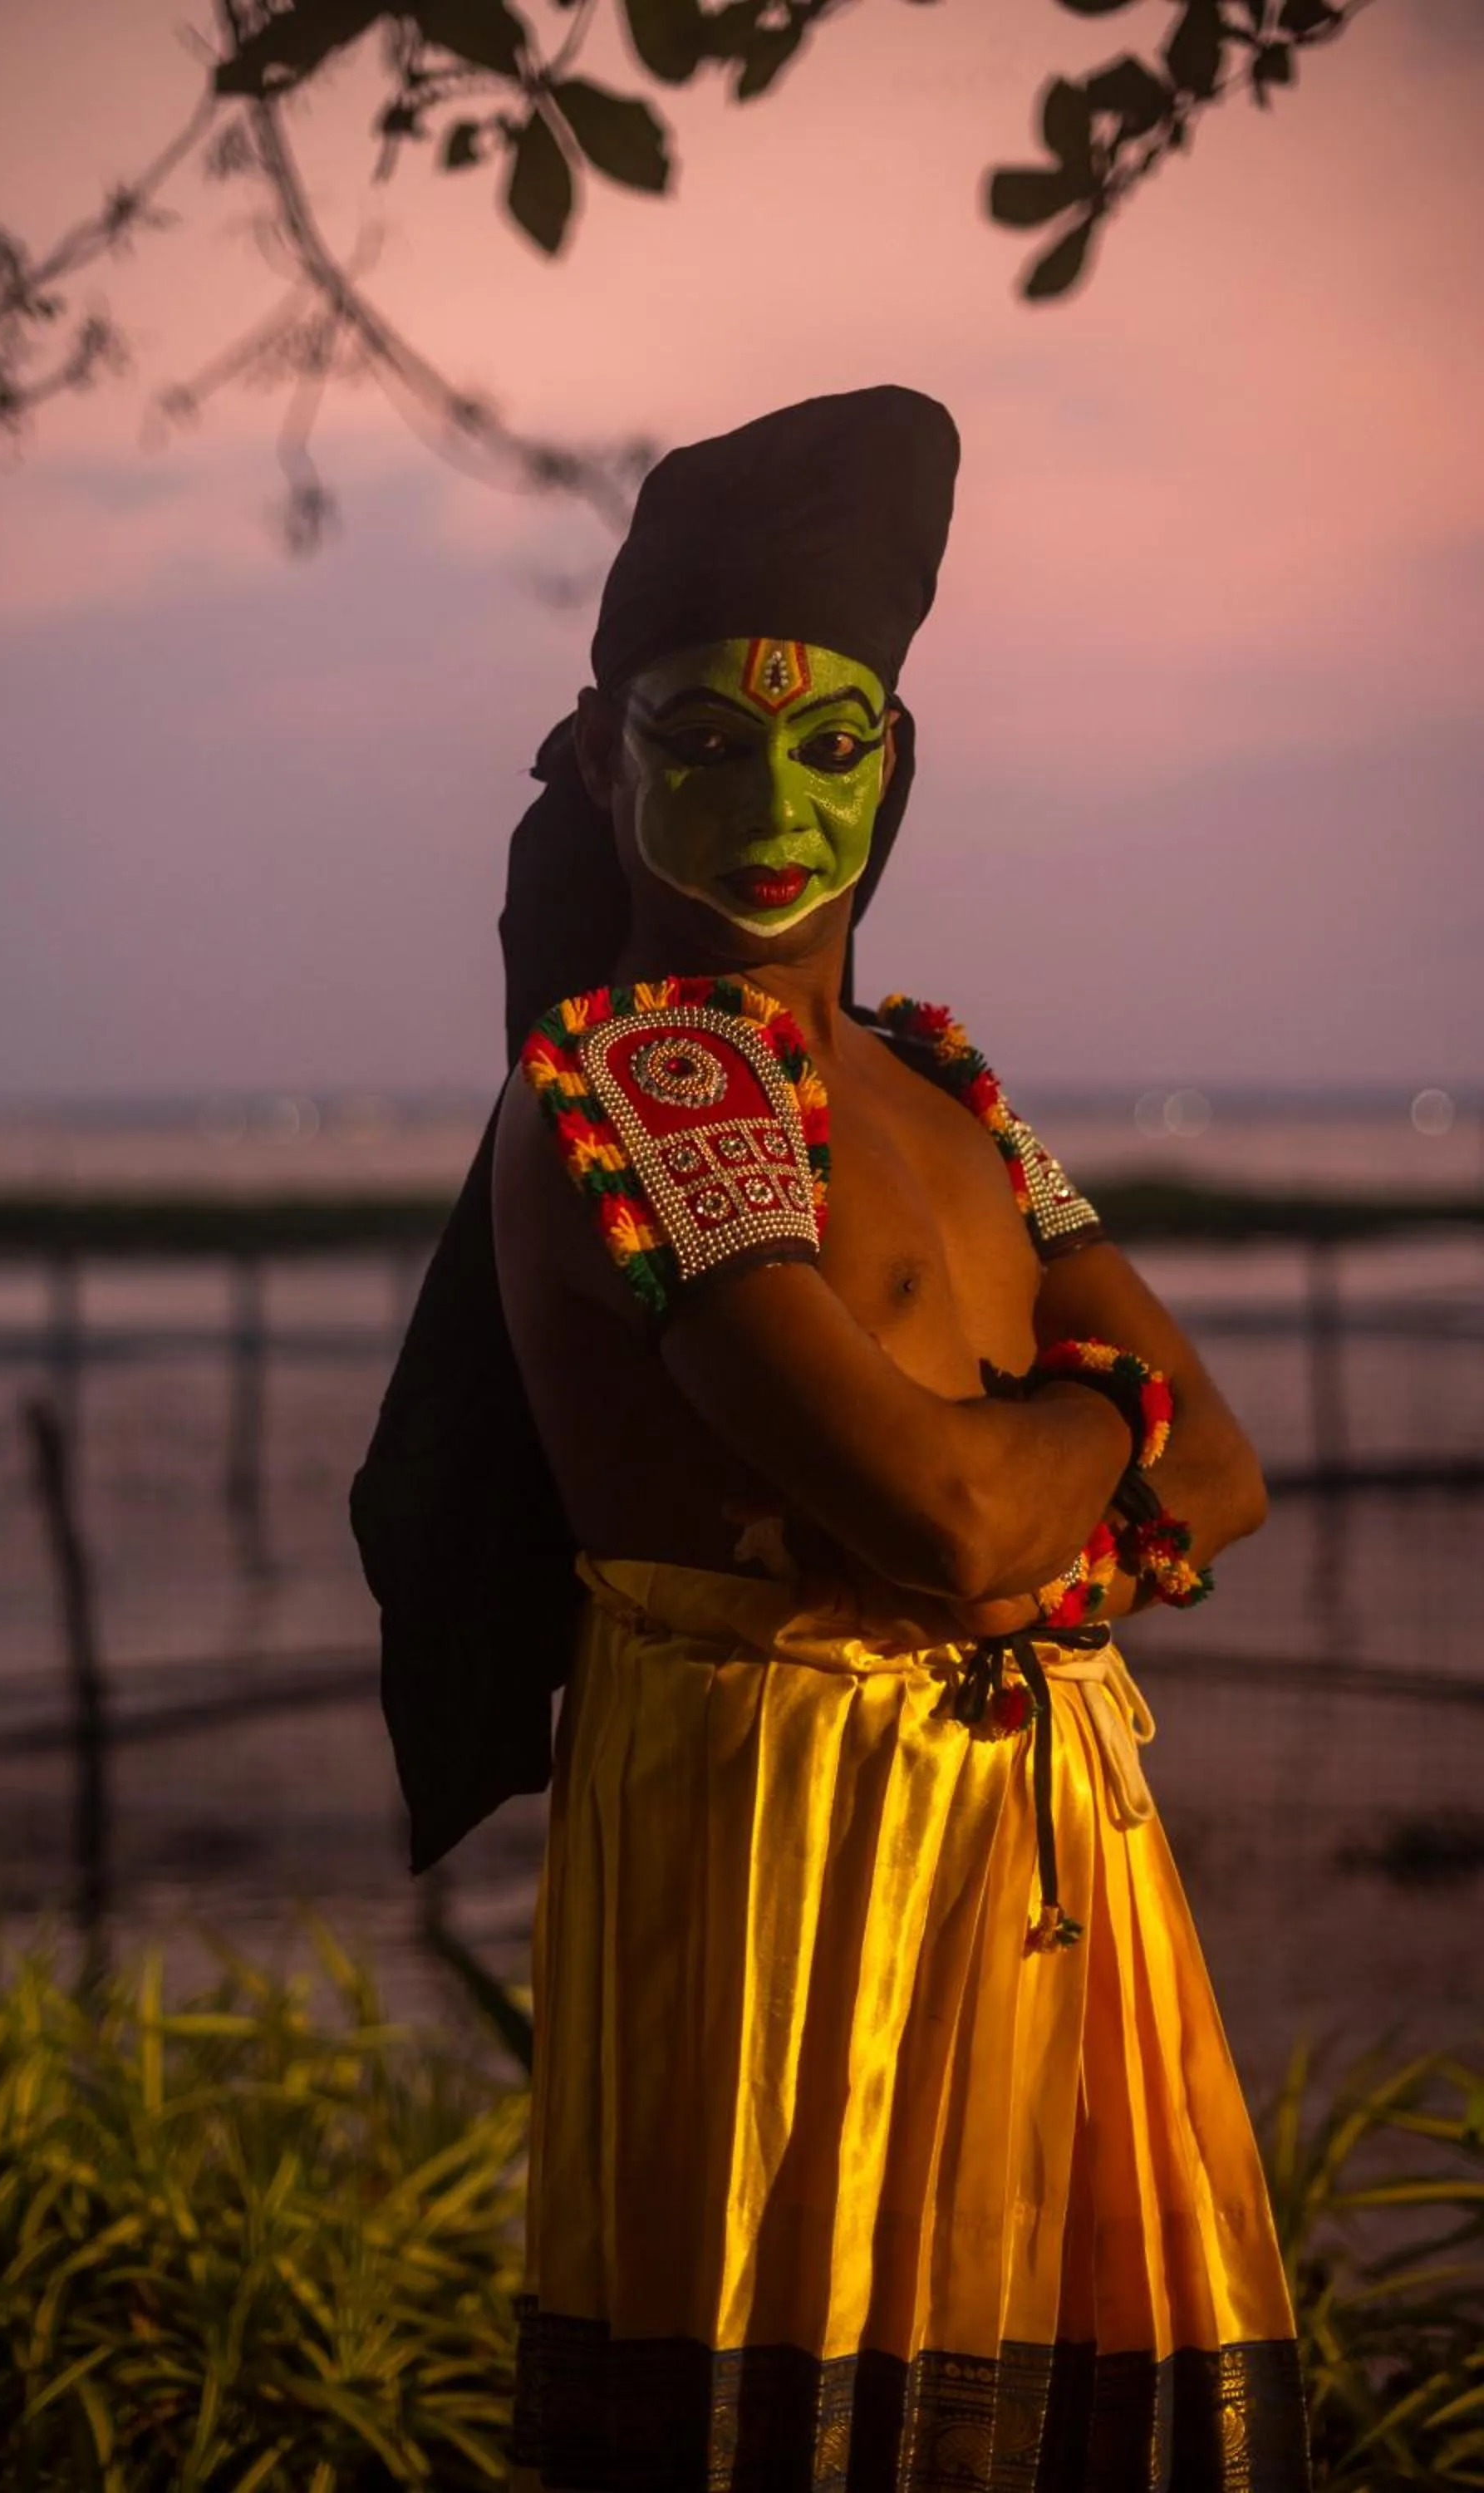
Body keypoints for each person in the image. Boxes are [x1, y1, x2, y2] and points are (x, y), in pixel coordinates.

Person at [352, 389, 1310, 2491]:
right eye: (698, 739)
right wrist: (1090, 1432)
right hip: (800, 1860)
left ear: (897, 760)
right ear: (605, 766)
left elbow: (1224, 1468)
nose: (770, 793)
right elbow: (953, 1511)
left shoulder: (941, 1080)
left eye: (828, 737)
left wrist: (1046, 1477)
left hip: (1048, 1849)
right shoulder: (648, 1080)